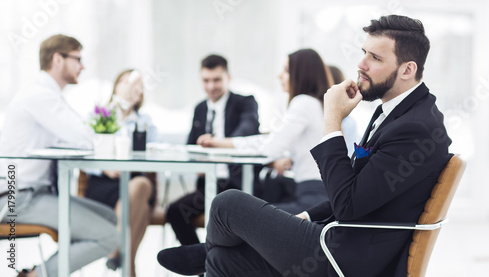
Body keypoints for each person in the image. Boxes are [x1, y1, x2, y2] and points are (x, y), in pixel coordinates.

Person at [157, 14, 452, 277]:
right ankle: (208, 253)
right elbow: (362, 187)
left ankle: (203, 252)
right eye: (363, 53)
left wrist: (332, 120)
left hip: (345, 257)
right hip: (342, 238)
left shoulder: (416, 128)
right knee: (222, 260)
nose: (360, 64)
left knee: (226, 204)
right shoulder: (402, 113)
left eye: (374, 57)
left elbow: (348, 206)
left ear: (406, 70)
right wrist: (308, 216)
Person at [0, 34, 118, 277]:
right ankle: (35, 276)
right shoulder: (39, 95)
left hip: (32, 194)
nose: (82, 66)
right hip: (16, 198)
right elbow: (85, 138)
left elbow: (78, 136)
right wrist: (120, 104)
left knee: (108, 217)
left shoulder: (48, 95)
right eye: (78, 59)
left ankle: (43, 271)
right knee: (108, 236)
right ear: (57, 59)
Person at [196, 49, 355, 214]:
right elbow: (276, 142)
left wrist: (222, 143)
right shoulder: (317, 103)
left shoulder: (303, 103)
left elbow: (269, 147)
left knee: (238, 215)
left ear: (300, 74)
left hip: (312, 197)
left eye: (286, 70)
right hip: (319, 194)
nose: (279, 75)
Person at [165, 54, 260, 246]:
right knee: (175, 212)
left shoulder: (245, 102)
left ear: (228, 78)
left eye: (216, 80)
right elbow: (190, 145)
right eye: (206, 80)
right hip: (207, 185)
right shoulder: (200, 108)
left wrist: (217, 142)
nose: (211, 86)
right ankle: (203, 267)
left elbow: (247, 131)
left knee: (227, 221)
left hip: (238, 185)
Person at [83, 69, 158, 275]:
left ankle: (115, 249)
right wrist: (105, 168)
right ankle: (129, 266)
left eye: (135, 86)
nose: (129, 89)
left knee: (140, 186)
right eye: (125, 83)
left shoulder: (145, 122)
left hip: (135, 180)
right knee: (140, 208)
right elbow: (83, 151)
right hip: (104, 184)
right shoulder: (100, 116)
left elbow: (154, 153)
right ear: (116, 87)